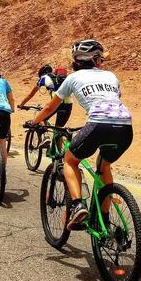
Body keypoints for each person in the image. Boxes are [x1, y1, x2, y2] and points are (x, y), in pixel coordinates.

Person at [24, 40, 132, 228]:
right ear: (96, 60)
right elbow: (114, 100)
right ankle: (103, 221)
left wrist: (33, 122)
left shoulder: (73, 78)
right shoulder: (111, 76)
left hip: (98, 123)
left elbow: (50, 106)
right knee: (104, 165)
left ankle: (77, 205)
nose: (102, 63)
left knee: (70, 160)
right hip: (125, 126)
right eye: (100, 59)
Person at [18, 63, 73, 127]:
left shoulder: (43, 78)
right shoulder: (56, 77)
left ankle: (45, 133)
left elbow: (31, 94)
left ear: (41, 74)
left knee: (40, 119)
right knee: (58, 128)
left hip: (57, 103)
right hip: (69, 104)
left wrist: (21, 105)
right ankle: (59, 136)